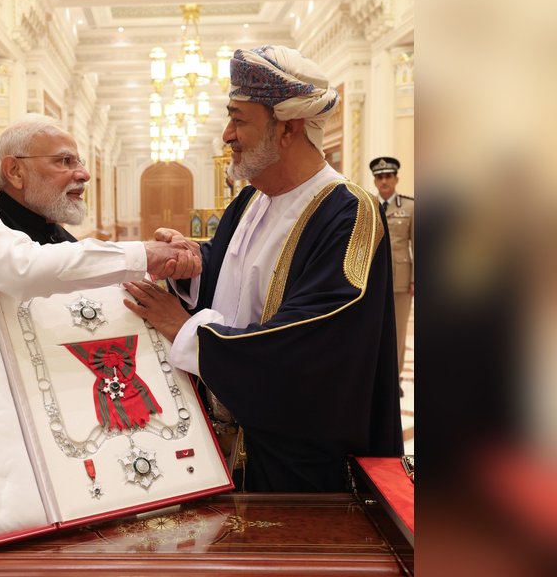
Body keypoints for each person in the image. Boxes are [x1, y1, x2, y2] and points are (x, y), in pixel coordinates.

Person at [123, 45, 403, 492]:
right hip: (223, 441)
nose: (226, 134)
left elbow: (315, 339)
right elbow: (232, 268)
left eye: (239, 119)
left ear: (287, 129)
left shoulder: (349, 213)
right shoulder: (253, 197)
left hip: (297, 462)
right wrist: (191, 262)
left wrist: (189, 331)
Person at [0, 114, 200, 299]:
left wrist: (170, 265)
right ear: (15, 171)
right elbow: (23, 270)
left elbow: (86, 277)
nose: (83, 174)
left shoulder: (59, 236)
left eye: (79, 161)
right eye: (64, 161)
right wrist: (146, 253)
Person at [371, 157, 414, 397]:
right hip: (372, 279)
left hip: (400, 279)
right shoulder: (365, 205)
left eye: (388, 176)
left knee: (397, 331)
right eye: (380, 177)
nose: (384, 181)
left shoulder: (409, 207)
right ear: (375, 181)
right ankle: (375, 375)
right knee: (373, 329)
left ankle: (393, 378)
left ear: (396, 179)